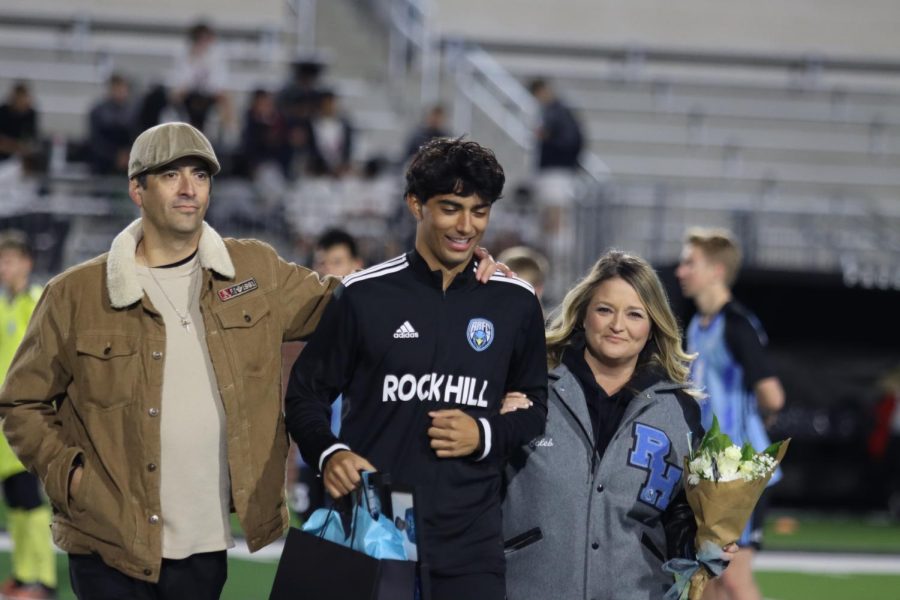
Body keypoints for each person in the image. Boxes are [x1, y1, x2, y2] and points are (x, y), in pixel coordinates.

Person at [0, 121, 343, 599]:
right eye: (171, 175)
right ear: (136, 190)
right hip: (108, 541)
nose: (189, 189)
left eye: (200, 175)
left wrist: (461, 275)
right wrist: (73, 478)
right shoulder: (75, 294)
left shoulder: (254, 270)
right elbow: (21, 403)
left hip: (205, 544)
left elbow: (346, 306)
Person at [285, 137, 548, 600]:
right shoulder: (363, 295)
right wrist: (330, 453)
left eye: (480, 211)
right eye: (450, 208)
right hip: (373, 528)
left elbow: (534, 409)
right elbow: (306, 392)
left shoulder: (515, 303)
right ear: (415, 205)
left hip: (471, 540)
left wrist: (482, 435)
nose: (466, 226)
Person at [502, 250, 714, 600]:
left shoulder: (679, 411)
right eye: (605, 310)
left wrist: (708, 539)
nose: (618, 325)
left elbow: (681, 510)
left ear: (652, 326)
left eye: (634, 314)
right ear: (584, 314)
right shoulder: (529, 383)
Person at [676, 227, 785, 600]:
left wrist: (754, 424)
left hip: (743, 471)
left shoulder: (736, 324)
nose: (680, 271)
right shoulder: (696, 324)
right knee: (710, 580)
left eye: (691, 262)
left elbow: (773, 395)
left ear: (717, 270)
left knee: (735, 579)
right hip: (713, 470)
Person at [0, 232, 57, 599]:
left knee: (30, 502)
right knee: (15, 504)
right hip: (3, 428)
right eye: (1, 260)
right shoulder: (5, 306)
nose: (5, 267)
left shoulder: (36, 303)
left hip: (26, 420)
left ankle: (44, 580)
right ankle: (23, 574)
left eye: (11, 259)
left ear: (27, 263)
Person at [528, 78, 583, 170]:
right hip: (559, 163)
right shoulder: (553, 110)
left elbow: (569, 139)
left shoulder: (557, 111)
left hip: (558, 164)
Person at [88, 73, 135, 175]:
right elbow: (95, 141)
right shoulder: (98, 112)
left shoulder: (133, 112)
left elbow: (136, 136)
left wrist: (128, 155)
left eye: (122, 88)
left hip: (128, 164)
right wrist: (115, 156)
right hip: (102, 165)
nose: (120, 92)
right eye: (117, 88)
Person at [0, 82, 38, 163]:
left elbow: (31, 142)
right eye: (18, 98)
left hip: (19, 158)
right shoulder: (3, 111)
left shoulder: (30, 114)